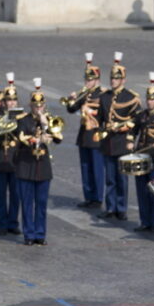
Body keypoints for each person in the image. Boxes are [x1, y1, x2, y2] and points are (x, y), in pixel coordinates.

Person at [15, 79, 61, 246]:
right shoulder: (23, 120)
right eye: (35, 105)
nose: (38, 108)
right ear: (31, 105)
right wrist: (36, 139)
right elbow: (21, 137)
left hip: (42, 167)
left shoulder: (48, 120)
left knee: (41, 204)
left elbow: (58, 138)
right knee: (27, 203)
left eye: (41, 105)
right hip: (26, 165)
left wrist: (45, 124)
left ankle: (40, 234)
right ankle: (29, 234)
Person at [97, 52, 141, 221]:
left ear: (123, 80)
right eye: (112, 78)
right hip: (108, 142)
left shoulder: (130, 97)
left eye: (116, 78)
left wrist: (128, 136)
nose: (113, 81)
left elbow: (135, 121)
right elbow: (101, 118)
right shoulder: (105, 97)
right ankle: (110, 207)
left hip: (122, 142)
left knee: (121, 178)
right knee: (109, 178)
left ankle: (121, 208)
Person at [130, 73, 154, 233]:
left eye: (153, 99)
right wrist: (130, 140)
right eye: (148, 99)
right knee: (141, 191)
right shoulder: (142, 115)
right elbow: (133, 129)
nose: (150, 102)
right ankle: (144, 221)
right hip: (141, 156)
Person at [65, 53, 104, 209]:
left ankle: (98, 197)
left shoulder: (102, 95)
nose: (87, 82)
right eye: (86, 80)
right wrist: (71, 100)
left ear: (97, 80)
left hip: (95, 135)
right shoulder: (84, 93)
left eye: (90, 80)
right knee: (85, 167)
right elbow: (71, 109)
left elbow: (104, 114)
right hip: (83, 136)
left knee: (97, 168)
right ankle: (89, 196)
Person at [0, 74, 23, 237]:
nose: (12, 103)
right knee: (0, 194)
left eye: (14, 100)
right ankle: (1, 224)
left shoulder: (22, 118)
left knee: (15, 194)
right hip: (0, 158)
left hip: (16, 160)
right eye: (9, 100)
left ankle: (13, 222)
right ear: (4, 102)